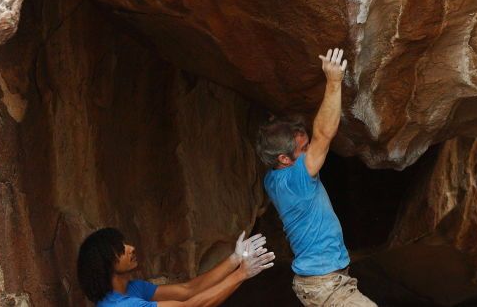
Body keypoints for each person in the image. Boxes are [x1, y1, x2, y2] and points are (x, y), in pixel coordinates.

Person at [257, 47, 376, 307]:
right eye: (304, 149)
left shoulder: (273, 179)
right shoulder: (296, 181)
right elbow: (323, 134)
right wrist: (334, 82)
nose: (312, 150)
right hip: (325, 286)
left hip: (321, 282)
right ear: (284, 160)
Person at [77, 227, 274, 306]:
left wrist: (235, 259)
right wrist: (241, 274)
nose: (131, 248)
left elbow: (187, 290)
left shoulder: (131, 288)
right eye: (121, 249)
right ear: (107, 264)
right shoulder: (122, 305)